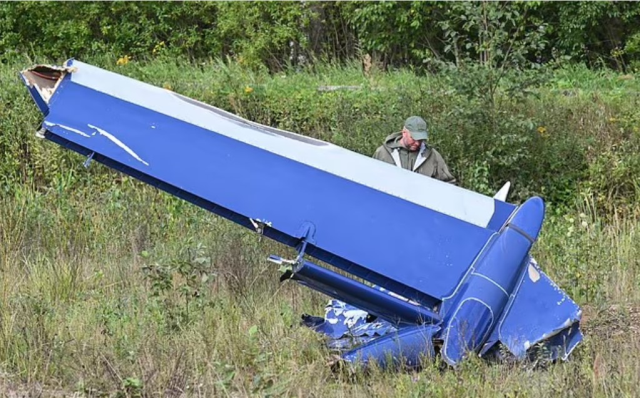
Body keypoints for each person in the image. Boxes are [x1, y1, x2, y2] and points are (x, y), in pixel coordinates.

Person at [372, 116, 456, 184]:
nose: (417, 143)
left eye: (420, 139)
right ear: (404, 132)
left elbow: (449, 184)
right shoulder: (382, 153)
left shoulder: (432, 156)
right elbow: (371, 179)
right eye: (413, 138)